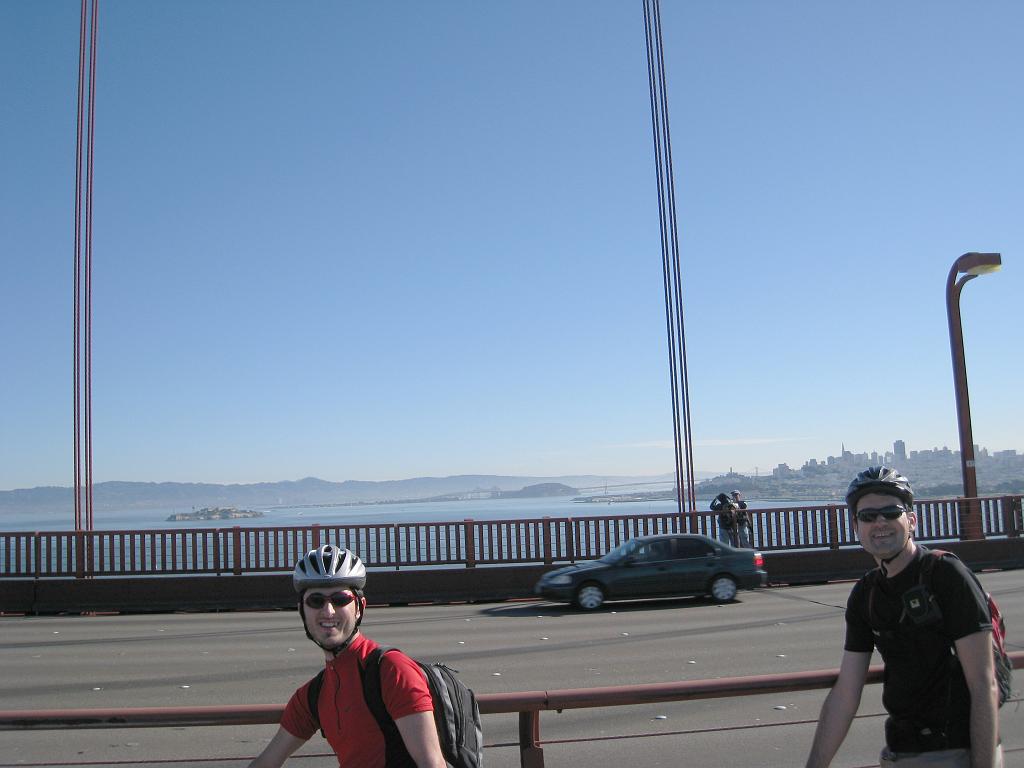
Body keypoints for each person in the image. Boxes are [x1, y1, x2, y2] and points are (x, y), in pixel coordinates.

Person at [805, 467, 1000, 768]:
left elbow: (983, 684)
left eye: (891, 512)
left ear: (911, 520)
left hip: (955, 751)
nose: (880, 522)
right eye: (868, 516)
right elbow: (846, 692)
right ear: (856, 526)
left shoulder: (945, 575)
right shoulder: (866, 594)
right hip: (899, 752)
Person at [248, 545, 446, 768]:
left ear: (360, 607)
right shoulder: (313, 695)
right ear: (302, 610)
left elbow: (432, 763)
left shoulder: (391, 670)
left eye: (340, 599)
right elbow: (267, 761)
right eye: (316, 601)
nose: (328, 611)